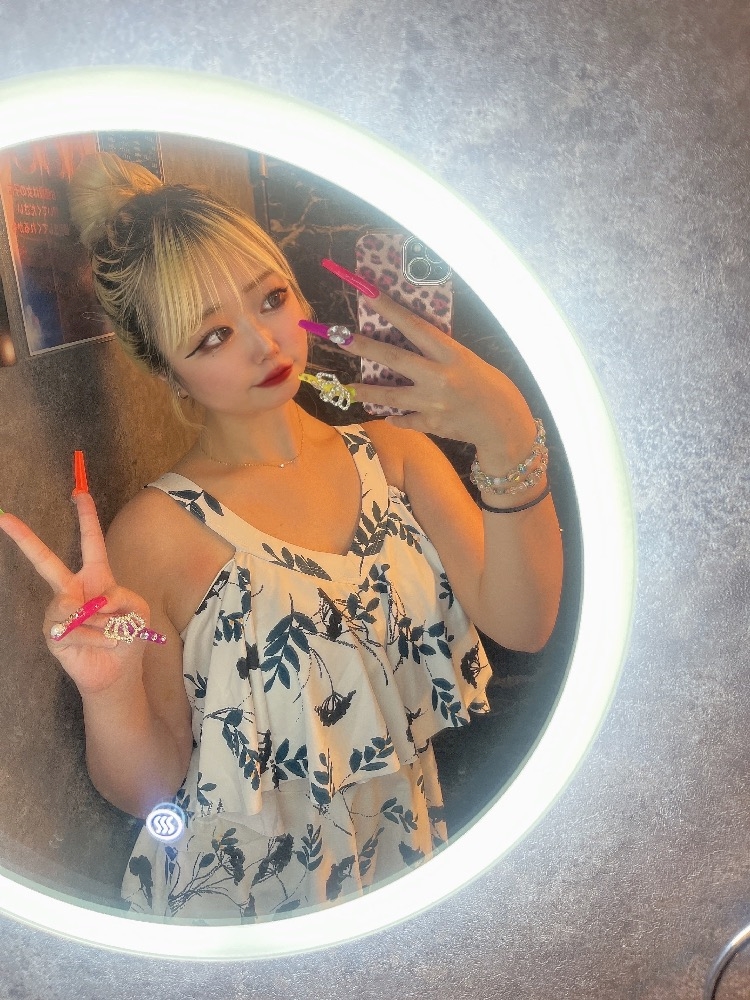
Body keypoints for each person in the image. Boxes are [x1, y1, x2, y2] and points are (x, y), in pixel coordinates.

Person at [0, 152, 563, 920]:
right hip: (238, 915)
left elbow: (525, 625)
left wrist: (509, 439)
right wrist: (109, 689)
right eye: (211, 336)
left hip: (393, 874)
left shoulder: (395, 457)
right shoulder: (159, 533)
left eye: (271, 298)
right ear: (165, 370)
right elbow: (149, 790)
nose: (263, 343)